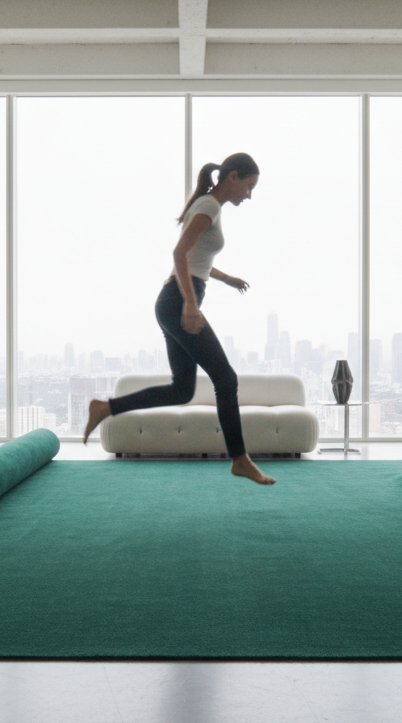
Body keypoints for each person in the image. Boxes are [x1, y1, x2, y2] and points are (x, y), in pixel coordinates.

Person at [83, 153, 276, 485]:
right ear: (233, 177)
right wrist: (190, 303)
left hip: (175, 299)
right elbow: (179, 253)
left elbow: (197, 259)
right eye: (249, 186)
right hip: (177, 302)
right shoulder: (210, 207)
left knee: (182, 389)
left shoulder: (207, 204)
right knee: (225, 380)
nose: (249, 194)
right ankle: (240, 459)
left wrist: (226, 279)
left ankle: (105, 408)